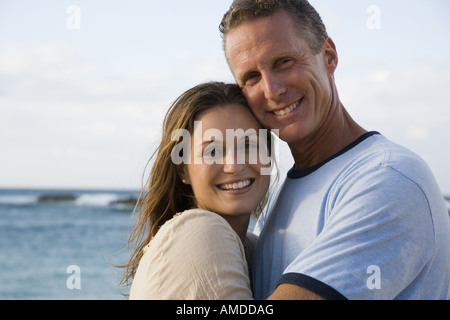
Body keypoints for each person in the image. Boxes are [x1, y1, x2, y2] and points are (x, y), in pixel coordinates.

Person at [220, 0, 450, 300]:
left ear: (328, 56)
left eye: (284, 62)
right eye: (251, 77)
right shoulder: (280, 194)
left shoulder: (389, 178)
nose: (272, 91)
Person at [120, 82, 272, 299]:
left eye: (248, 145)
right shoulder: (202, 232)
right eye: (212, 151)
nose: (234, 165)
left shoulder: (253, 247)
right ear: (183, 170)